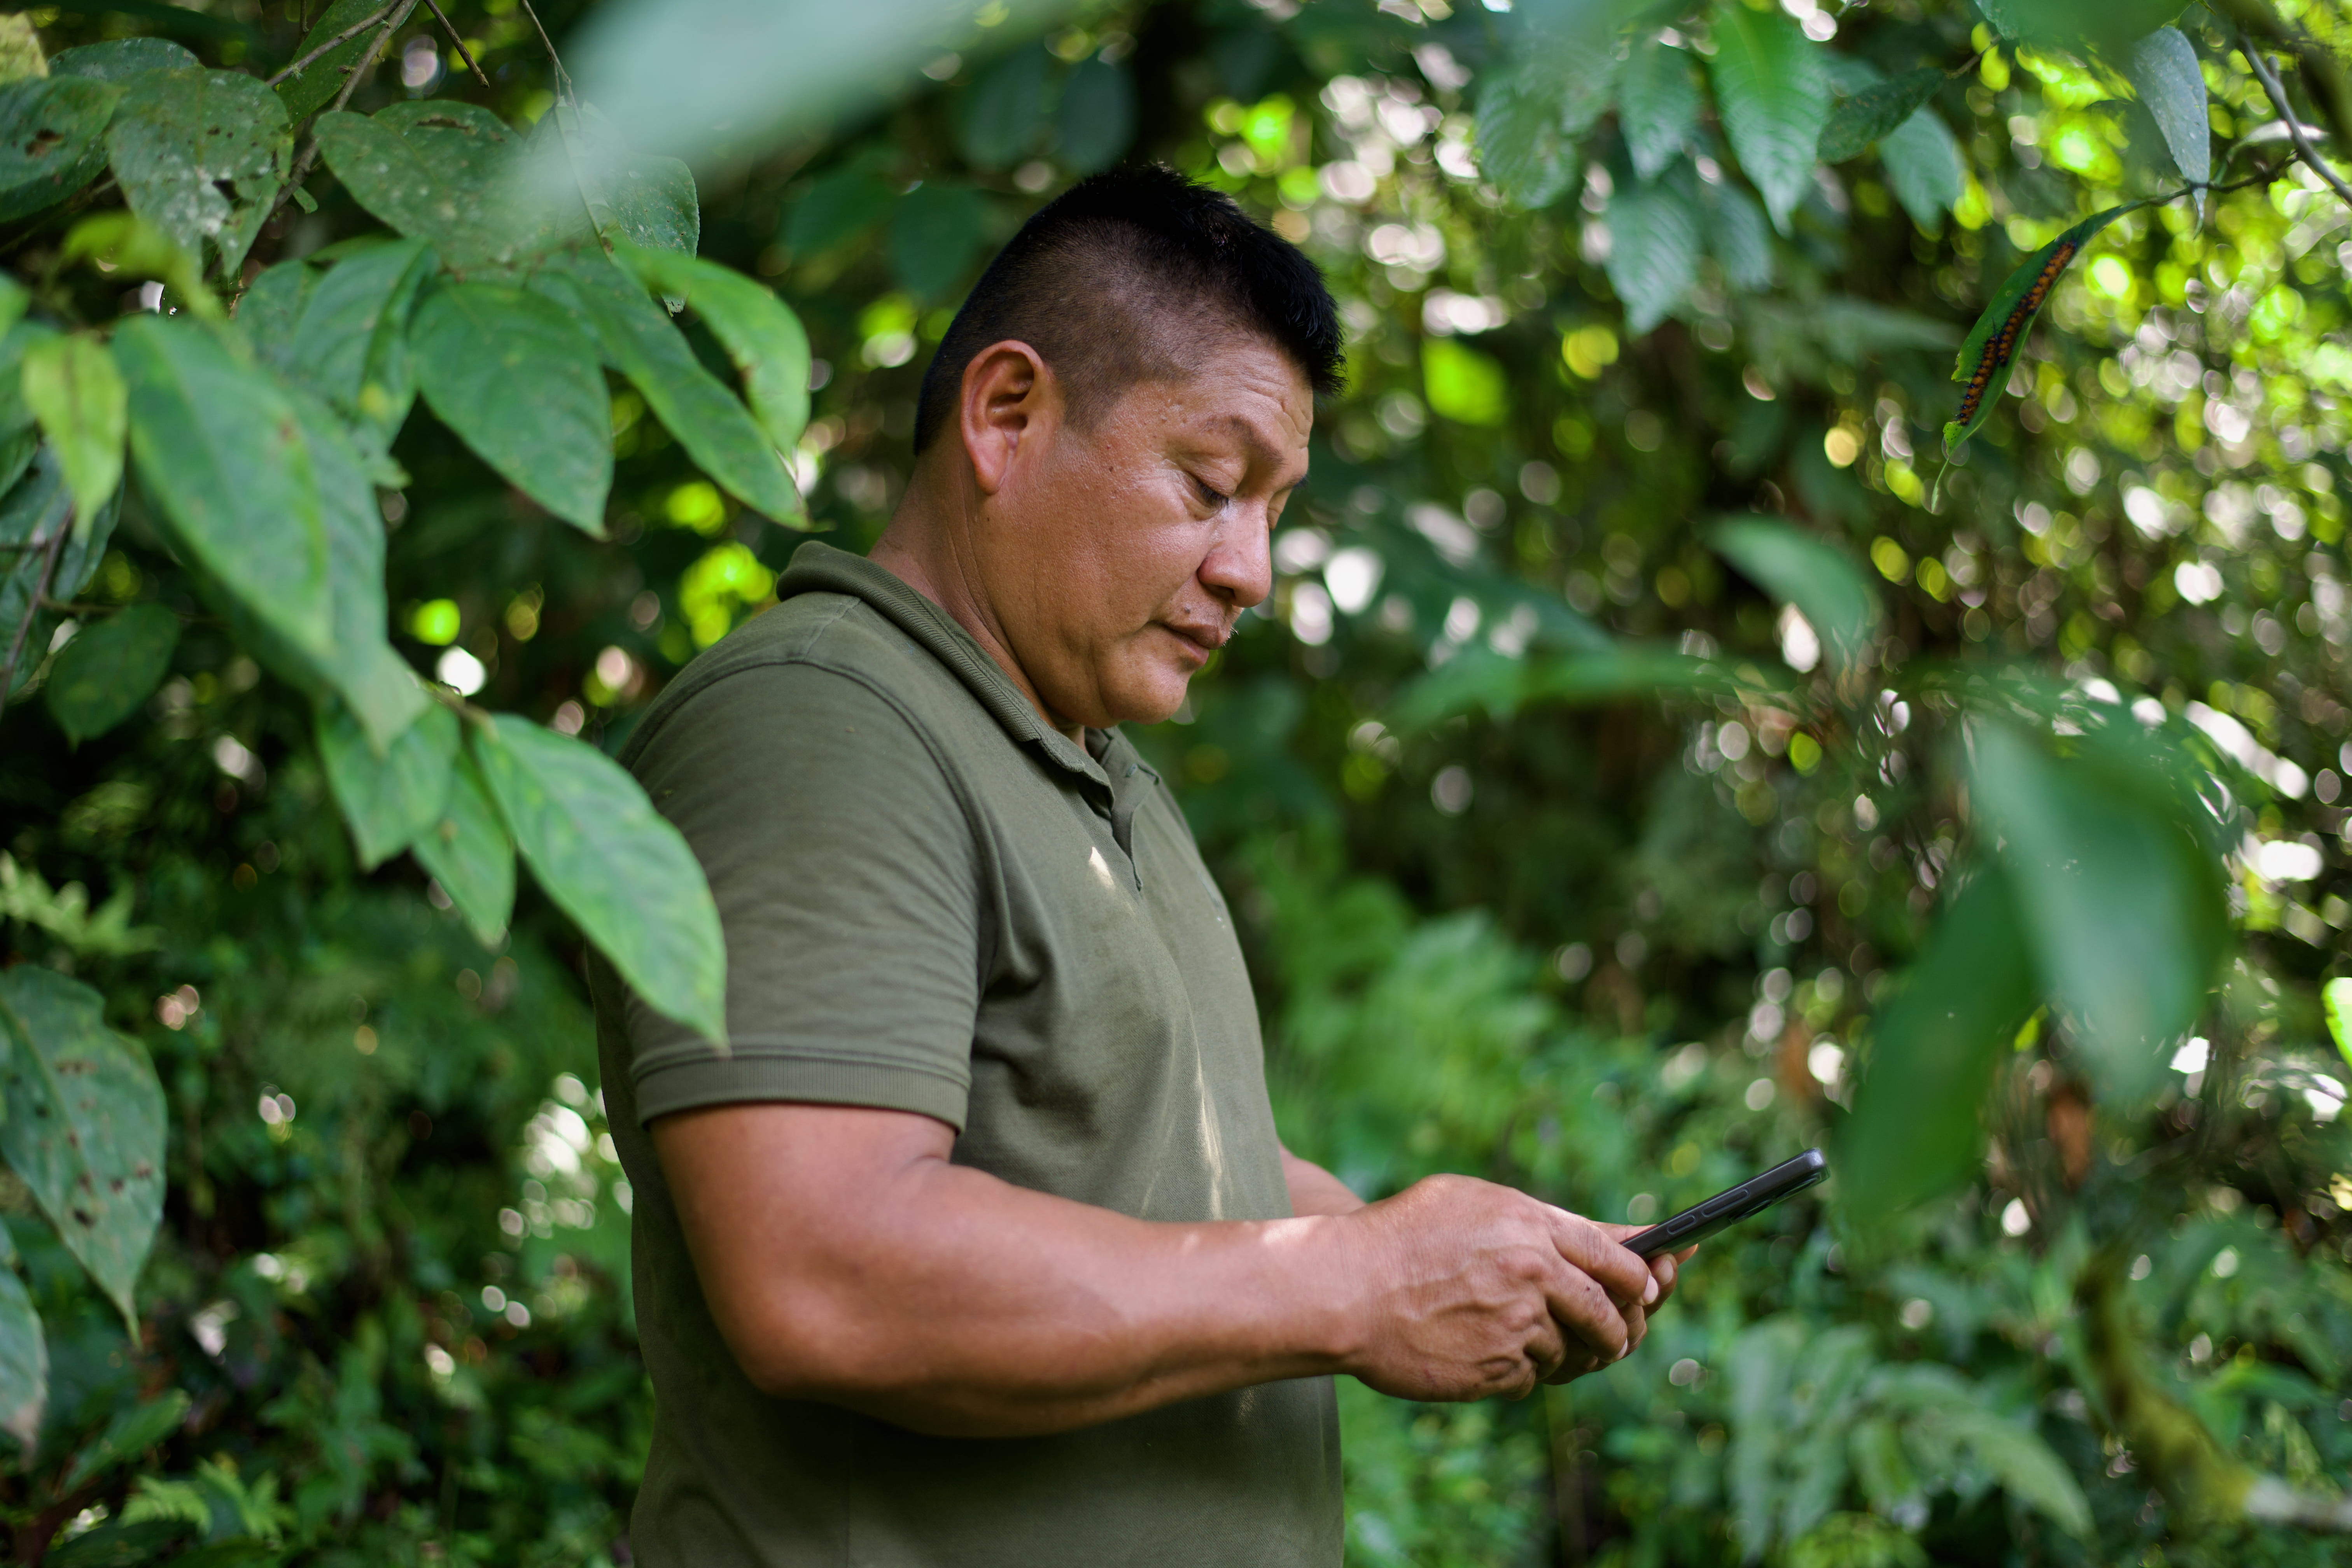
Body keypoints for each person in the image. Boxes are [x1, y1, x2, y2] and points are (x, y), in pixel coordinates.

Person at [589, 164, 1684, 1568]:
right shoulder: (822, 725)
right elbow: (824, 1270)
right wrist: (1356, 1281)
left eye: (1273, 509)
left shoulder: (1087, 757)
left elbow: (1163, 1160)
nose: (1252, 571)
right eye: (1211, 486)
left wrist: (1475, 1257)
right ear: (1007, 415)